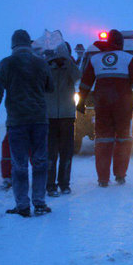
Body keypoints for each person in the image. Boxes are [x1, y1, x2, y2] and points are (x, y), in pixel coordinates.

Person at [0, 29, 54, 217]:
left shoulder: (6, 64)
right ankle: (39, 203)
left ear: (13, 45)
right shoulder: (40, 63)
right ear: (29, 44)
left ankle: (23, 206)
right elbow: (51, 87)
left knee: (19, 164)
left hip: (17, 122)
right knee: (40, 162)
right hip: (39, 120)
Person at [76, 29, 133, 187]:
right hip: (123, 105)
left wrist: (81, 102)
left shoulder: (95, 59)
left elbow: (85, 83)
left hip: (102, 105)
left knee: (103, 140)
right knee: (123, 140)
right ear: (121, 43)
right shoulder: (128, 59)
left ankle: (102, 179)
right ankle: (120, 175)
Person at [45, 42, 80, 196]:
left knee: (66, 152)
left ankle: (64, 184)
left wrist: (69, 61)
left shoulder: (70, 68)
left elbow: (78, 76)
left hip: (67, 116)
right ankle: (50, 185)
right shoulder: (47, 68)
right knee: (50, 153)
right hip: (50, 117)